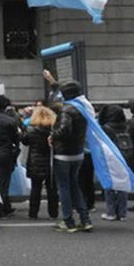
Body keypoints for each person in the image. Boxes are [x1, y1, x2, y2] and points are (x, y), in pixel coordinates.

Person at [51, 81, 93, 233]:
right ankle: (85, 219)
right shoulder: (83, 109)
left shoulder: (66, 110)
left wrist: (52, 136)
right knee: (75, 186)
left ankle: (68, 221)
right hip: (78, 153)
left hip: (63, 154)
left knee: (64, 187)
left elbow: (63, 131)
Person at [23, 105, 58, 220]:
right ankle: (53, 213)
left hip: (35, 161)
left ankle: (33, 213)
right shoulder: (53, 129)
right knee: (52, 188)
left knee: (35, 188)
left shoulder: (31, 129)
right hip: (51, 161)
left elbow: (25, 141)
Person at [99, 104, 130, 222]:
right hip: (124, 156)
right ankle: (122, 213)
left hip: (110, 158)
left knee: (110, 185)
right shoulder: (126, 125)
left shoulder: (106, 127)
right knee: (122, 184)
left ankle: (111, 212)